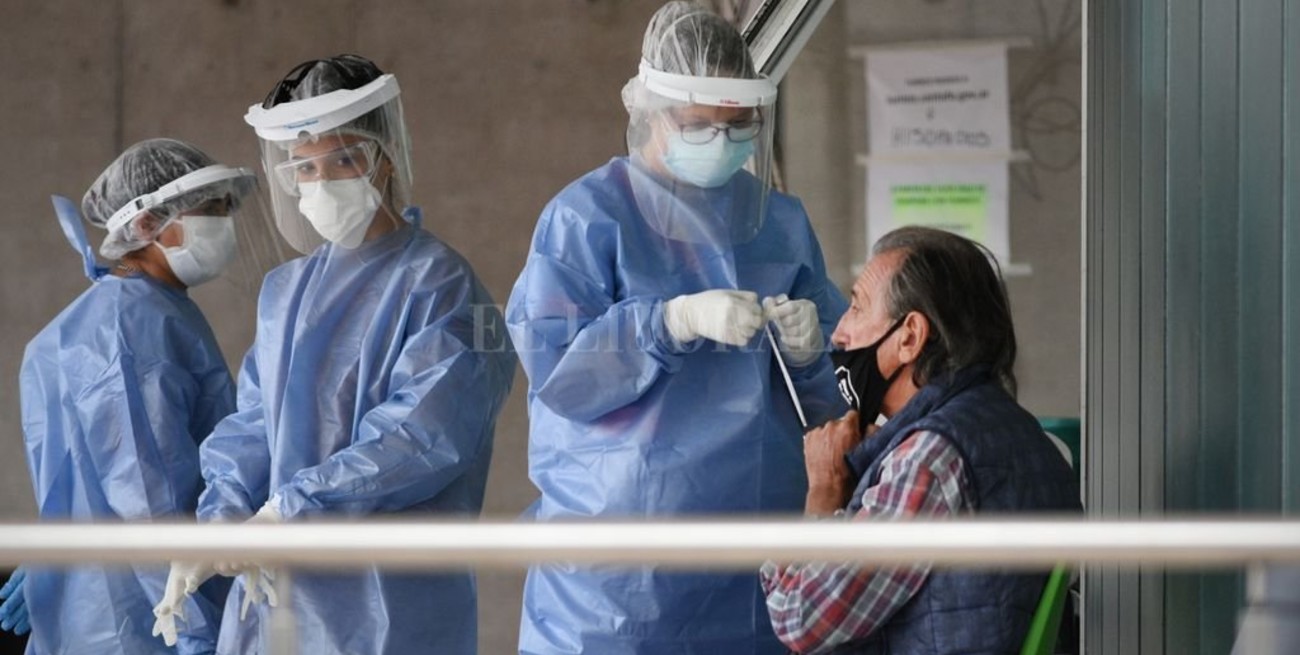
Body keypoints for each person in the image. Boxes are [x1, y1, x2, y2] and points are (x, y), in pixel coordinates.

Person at [507, 3, 847, 653]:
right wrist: (668, 321)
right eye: (698, 125)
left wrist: (814, 352)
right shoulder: (587, 218)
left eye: (737, 125)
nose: (720, 141)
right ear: (651, 111)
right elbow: (560, 373)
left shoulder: (779, 223)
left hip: (755, 558)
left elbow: (834, 402)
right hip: (619, 578)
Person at [151, 54, 515, 655]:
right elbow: (253, 426)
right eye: (304, 167)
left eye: (342, 161)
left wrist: (286, 514)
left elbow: (420, 438)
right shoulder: (286, 291)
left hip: (387, 604)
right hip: (273, 594)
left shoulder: (442, 285)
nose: (319, 185)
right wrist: (220, 521)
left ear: (384, 158)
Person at [762, 226, 1083, 654]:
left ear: (910, 337)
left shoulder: (931, 457)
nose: (838, 333)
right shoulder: (1018, 429)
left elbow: (801, 621)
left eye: (856, 307)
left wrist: (824, 490)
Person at [5, 138, 262, 654]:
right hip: (143, 614)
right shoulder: (133, 324)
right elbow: (147, 500)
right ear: (146, 224)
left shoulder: (133, 311)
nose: (225, 224)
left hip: (104, 596)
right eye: (210, 210)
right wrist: (194, 635)